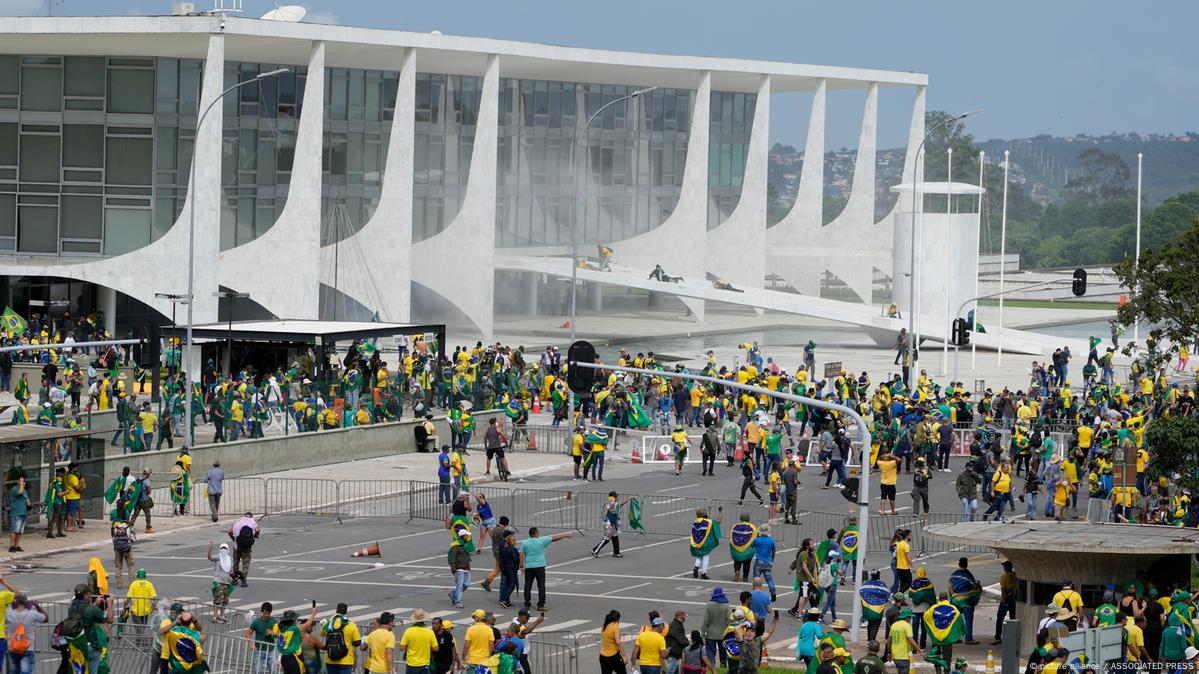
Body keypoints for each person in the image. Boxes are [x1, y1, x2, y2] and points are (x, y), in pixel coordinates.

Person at [520, 527, 571, 611]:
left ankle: (527, 604)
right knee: (541, 585)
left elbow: (521, 555)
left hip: (529, 566)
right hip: (540, 566)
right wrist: (564, 536)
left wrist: (521, 566)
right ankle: (541, 605)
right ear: (535, 533)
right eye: (538, 532)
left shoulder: (524, 543)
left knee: (528, 585)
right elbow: (554, 538)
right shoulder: (542, 540)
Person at [5, 592, 46, 674]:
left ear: (15, 601)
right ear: (26, 602)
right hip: (27, 648)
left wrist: (7, 603)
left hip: (12, 648)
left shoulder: (8, 613)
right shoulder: (32, 613)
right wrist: (37, 606)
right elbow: (45, 618)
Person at [275, 605, 319, 674]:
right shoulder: (293, 629)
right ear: (292, 620)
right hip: (292, 659)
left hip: (284, 658)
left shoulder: (282, 629)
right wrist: (314, 613)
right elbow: (308, 624)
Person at [321, 603, 363, 674]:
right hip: (346, 660)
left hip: (330, 659)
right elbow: (357, 642)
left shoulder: (329, 623)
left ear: (336, 611)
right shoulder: (351, 625)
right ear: (346, 612)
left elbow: (322, 633)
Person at [948, 558, 981, 645]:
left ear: (958, 564)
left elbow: (949, 587)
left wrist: (952, 598)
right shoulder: (968, 575)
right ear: (966, 564)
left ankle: (955, 638)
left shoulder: (953, 575)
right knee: (968, 619)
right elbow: (973, 586)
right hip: (966, 600)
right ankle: (968, 638)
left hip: (955, 599)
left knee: (956, 619)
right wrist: (978, 585)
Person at [398, 608, 437, 674]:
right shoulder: (429, 632)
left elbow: (402, 648)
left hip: (411, 664)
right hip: (424, 664)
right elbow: (436, 648)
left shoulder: (408, 631)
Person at [592, 492, 630, 559]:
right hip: (611, 525)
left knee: (615, 538)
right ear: (614, 497)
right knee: (606, 539)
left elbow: (620, 504)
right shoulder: (612, 504)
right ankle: (595, 550)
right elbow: (612, 513)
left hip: (612, 525)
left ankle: (616, 553)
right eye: (615, 497)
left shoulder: (612, 504)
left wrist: (628, 499)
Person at [689, 507, 723, 580]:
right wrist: (720, 511)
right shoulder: (709, 522)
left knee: (699, 555)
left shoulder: (695, 522)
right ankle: (704, 573)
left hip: (696, 543)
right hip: (704, 544)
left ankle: (696, 567)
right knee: (706, 557)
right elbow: (719, 521)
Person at [206, 541, 236, 623]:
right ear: (220, 549)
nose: (223, 550)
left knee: (225, 601)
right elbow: (209, 558)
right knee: (217, 600)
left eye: (225, 548)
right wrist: (210, 549)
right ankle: (215, 616)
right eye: (222, 548)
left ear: (228, 550)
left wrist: (233, 577)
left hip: (227, 582)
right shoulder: (218, 557)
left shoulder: (229, 559)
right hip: (218, 581)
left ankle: (221, 616)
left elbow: (230, 570)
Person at [245, 602, 278, 674]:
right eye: (265, 613)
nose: (267, 615)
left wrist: (272, 633)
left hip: (270, 651)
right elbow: (248, 633)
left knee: (274, 671)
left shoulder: (274, 621)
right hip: (258, 650)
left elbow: (279, 634)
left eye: (269, 613)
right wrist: (251, 644)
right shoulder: (256, 622)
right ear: (262, 611)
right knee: (257, 671)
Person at [229, 511, 260, 587]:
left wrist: (233, 539)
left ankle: (234, 579)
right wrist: (255, 536)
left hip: (237, 546)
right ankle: (243, 580)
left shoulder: (238, 521)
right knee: (245, 564)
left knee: (236, 562)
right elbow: (257, 530)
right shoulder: (252, 521)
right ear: (251, 516)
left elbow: (229, 531)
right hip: (247, 546)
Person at [890, 609, 923, 674]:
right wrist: (920, 651)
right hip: (903, 656)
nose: (910, 619)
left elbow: (889, 640)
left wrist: (889, 652)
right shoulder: (907, 626)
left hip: (895, 655)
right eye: (910, 617)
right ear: (907, 617)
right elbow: (911, 640)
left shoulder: (894, 625)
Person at [701, 589, 729, 668]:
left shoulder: (709, 605)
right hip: (723, 634)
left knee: (710, 654)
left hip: (711, 634)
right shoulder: (726, 605)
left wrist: (703, 635)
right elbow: (729, 620)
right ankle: (723, 667)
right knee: (723, 653)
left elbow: (705, 621)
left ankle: (712, 668)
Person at [993, 561, 1017, 644]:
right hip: (1014, 600)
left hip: (1006, 600)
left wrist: (1004, 601)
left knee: (1000, 618)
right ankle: (1014, 636)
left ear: (1005, 568)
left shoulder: (1004, 577)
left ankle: (997, 637)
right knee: (1013, 618)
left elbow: (1004, 591)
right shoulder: (1015, 575)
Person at [599, 609, 629, 674]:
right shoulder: (615, 626)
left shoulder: (604, 626)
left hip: (603, 656)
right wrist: (624, 656)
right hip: (613, 656)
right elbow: (618, 642)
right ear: (617, 619)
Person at [448, 529, 471, 609]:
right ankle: (458, 602)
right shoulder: (455, 546)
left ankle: (453, 594)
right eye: (466, 535)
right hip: (459, 569)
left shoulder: (465, 544)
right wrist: (453, 569)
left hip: (466, 568)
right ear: (463, 536)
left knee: (467, 584)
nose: (468, 536)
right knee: (460, 586)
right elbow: (452, 558)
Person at [111, 521, 136, 588]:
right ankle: (132, 582)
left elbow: (113, 538)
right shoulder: (129, 528)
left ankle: (119, 583)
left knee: (118, 566)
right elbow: (133, 539)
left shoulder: (116, 527)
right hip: (127, 549)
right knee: (130, 566)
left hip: (117, 549)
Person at [7, 476, 28, 553]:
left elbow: (27, 499)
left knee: (19, 531)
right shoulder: (15, 489)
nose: (23, 483)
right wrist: (21, 485)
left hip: (23, 513)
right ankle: (11, 546)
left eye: (23, 481)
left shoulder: (25, 491)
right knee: (14, 530)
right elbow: (20, 492)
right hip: (16, 513)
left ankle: (16, 545)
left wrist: (29, 504)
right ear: (18, 482)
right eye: (21, 481)